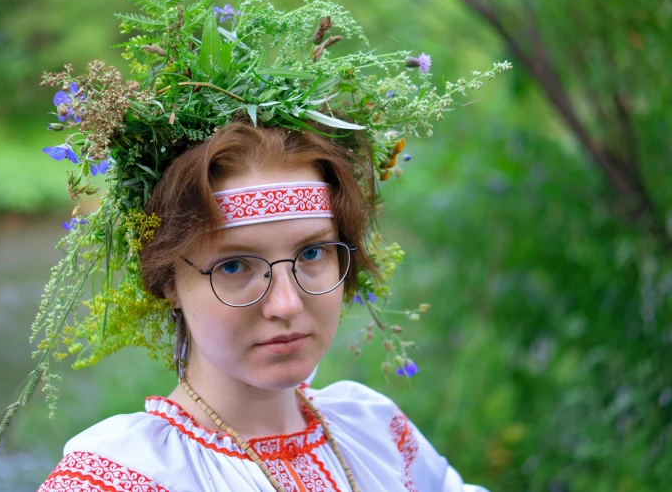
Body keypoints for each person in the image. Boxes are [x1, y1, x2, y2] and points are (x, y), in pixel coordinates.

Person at [36, 123, 488, 491]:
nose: (286, 304)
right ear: (168, 280)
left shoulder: (376, 433)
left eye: (312, 254)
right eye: (234, 265)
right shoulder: (122, 478)